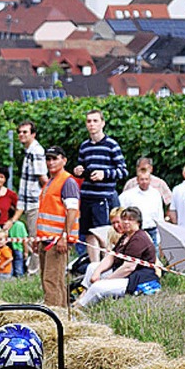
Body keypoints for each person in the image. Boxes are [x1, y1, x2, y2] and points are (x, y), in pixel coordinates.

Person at [74, 206, 158, 308]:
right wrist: (97, 272)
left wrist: (107, 280)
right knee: (93, 267)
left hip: (136, 278)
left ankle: (80, 308)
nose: (126, 222)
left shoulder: (139, 238)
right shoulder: (126, 236)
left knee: (98, 287)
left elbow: (128, 268)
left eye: (130, 219)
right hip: (122, 271)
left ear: (138, 222)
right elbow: (112, 256)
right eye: (124, 219)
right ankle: (83, 295)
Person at [73, 109, 128, 263]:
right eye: (89, 121)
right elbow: (82, 167)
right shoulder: (85, 146)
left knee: (104, 234)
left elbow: (123, 171)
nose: (92, 124)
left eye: (95, 121)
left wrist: (105, 174)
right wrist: (79, 171)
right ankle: (94, 265)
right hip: (86, 196)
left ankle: (107, 265)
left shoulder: (112, 145)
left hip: (103, 197)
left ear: (102, 123)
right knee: (88, 233)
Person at [36, 146, 80, 308]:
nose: (51, 162)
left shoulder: (67, 181)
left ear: (64, 160)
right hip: (46, 239)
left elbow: (72, 210)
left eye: (55, 158)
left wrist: (64, 236)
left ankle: (52, 316)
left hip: (57, 240)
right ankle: (61, 314)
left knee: (52, 280)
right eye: (48, 159)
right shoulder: (50, 182)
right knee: (53, 280)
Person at [7, 121, 48, 273]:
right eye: (20, 132)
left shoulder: (36, 151)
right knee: (33, 238)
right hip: (29, 202)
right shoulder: (29, 151)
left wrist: (49, 196)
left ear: (33, 134)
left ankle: (35, 270)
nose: (21, 135)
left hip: (35, 203)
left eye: (25, 132)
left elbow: (42, 178)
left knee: (35, 238)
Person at [119, 167, 164, 252]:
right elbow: (120, 210)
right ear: (137, 180)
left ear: (150, 180)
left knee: (153, 256)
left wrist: (160, 233)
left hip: (152, 230)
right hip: (135, 231)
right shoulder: (128, 195)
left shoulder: (156, 194)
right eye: (142, 179)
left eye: (146, 179)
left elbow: (159, 214)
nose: (144, 182)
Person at [7, 205, 29, 277]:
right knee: (19, 264)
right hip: (19, 247)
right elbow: (24, 240)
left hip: (9, 247)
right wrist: (26, 252)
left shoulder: (7, 224)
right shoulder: (21, 225)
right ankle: (19, 277)